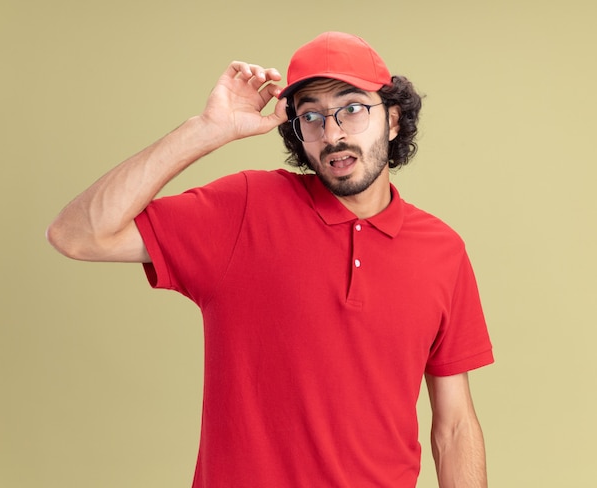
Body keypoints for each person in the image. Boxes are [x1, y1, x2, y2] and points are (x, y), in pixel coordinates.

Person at [47, 31, 493, 488]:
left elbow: (455, 426)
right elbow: (78, 234)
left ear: (393, 120)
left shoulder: (443, 251)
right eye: (311, 117)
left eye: (352, 109)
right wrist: (206, 130)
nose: (333, 133)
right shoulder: (246, 208)